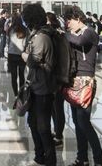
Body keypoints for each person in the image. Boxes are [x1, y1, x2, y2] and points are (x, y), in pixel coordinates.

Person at [62, 6, 102, 166]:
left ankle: (99, 159)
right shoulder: (74, 34)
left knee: (83, 122)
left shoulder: (89, 32)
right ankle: (82, 158)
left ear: (78, 18)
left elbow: (79, 41)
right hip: (74, 80)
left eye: (70, 21)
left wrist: (63, 34)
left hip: (86, 81)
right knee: (77, 122)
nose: (68, 24)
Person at [21, 4, 56, 166]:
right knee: (33, 123)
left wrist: (24, 55)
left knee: (43, 127)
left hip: (43, 88)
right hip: (36, 86)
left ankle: (49, 160)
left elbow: (33, 60)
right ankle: (39, 156)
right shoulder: (36, 35)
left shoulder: (42, 37)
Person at [46, 12, 66, 147]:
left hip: (56, 76)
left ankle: (59, 136)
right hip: (56, 75)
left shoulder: (55, 35)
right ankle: (57, 132)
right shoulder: (57, 34)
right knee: (55, 107)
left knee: (57, 107)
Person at [7, 14, 28, 97]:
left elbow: (8, 42)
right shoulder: (25, 30)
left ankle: (15, 94)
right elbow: (26, 43)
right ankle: (21, 94)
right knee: (22, 75)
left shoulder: (10, 30)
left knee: (14, 76)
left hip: (11, 54)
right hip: (21, 54)